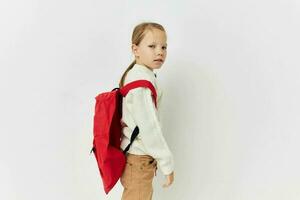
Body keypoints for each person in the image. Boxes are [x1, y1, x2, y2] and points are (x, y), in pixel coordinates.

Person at [119, 22, 175, 200]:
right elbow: (150, 129)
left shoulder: (142, 75)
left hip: (138, 159)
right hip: (139, 160)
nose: (160, 51)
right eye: (152, 46)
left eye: (163, 47)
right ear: (135, 49)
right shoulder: (140, 83)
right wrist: (167, 164)